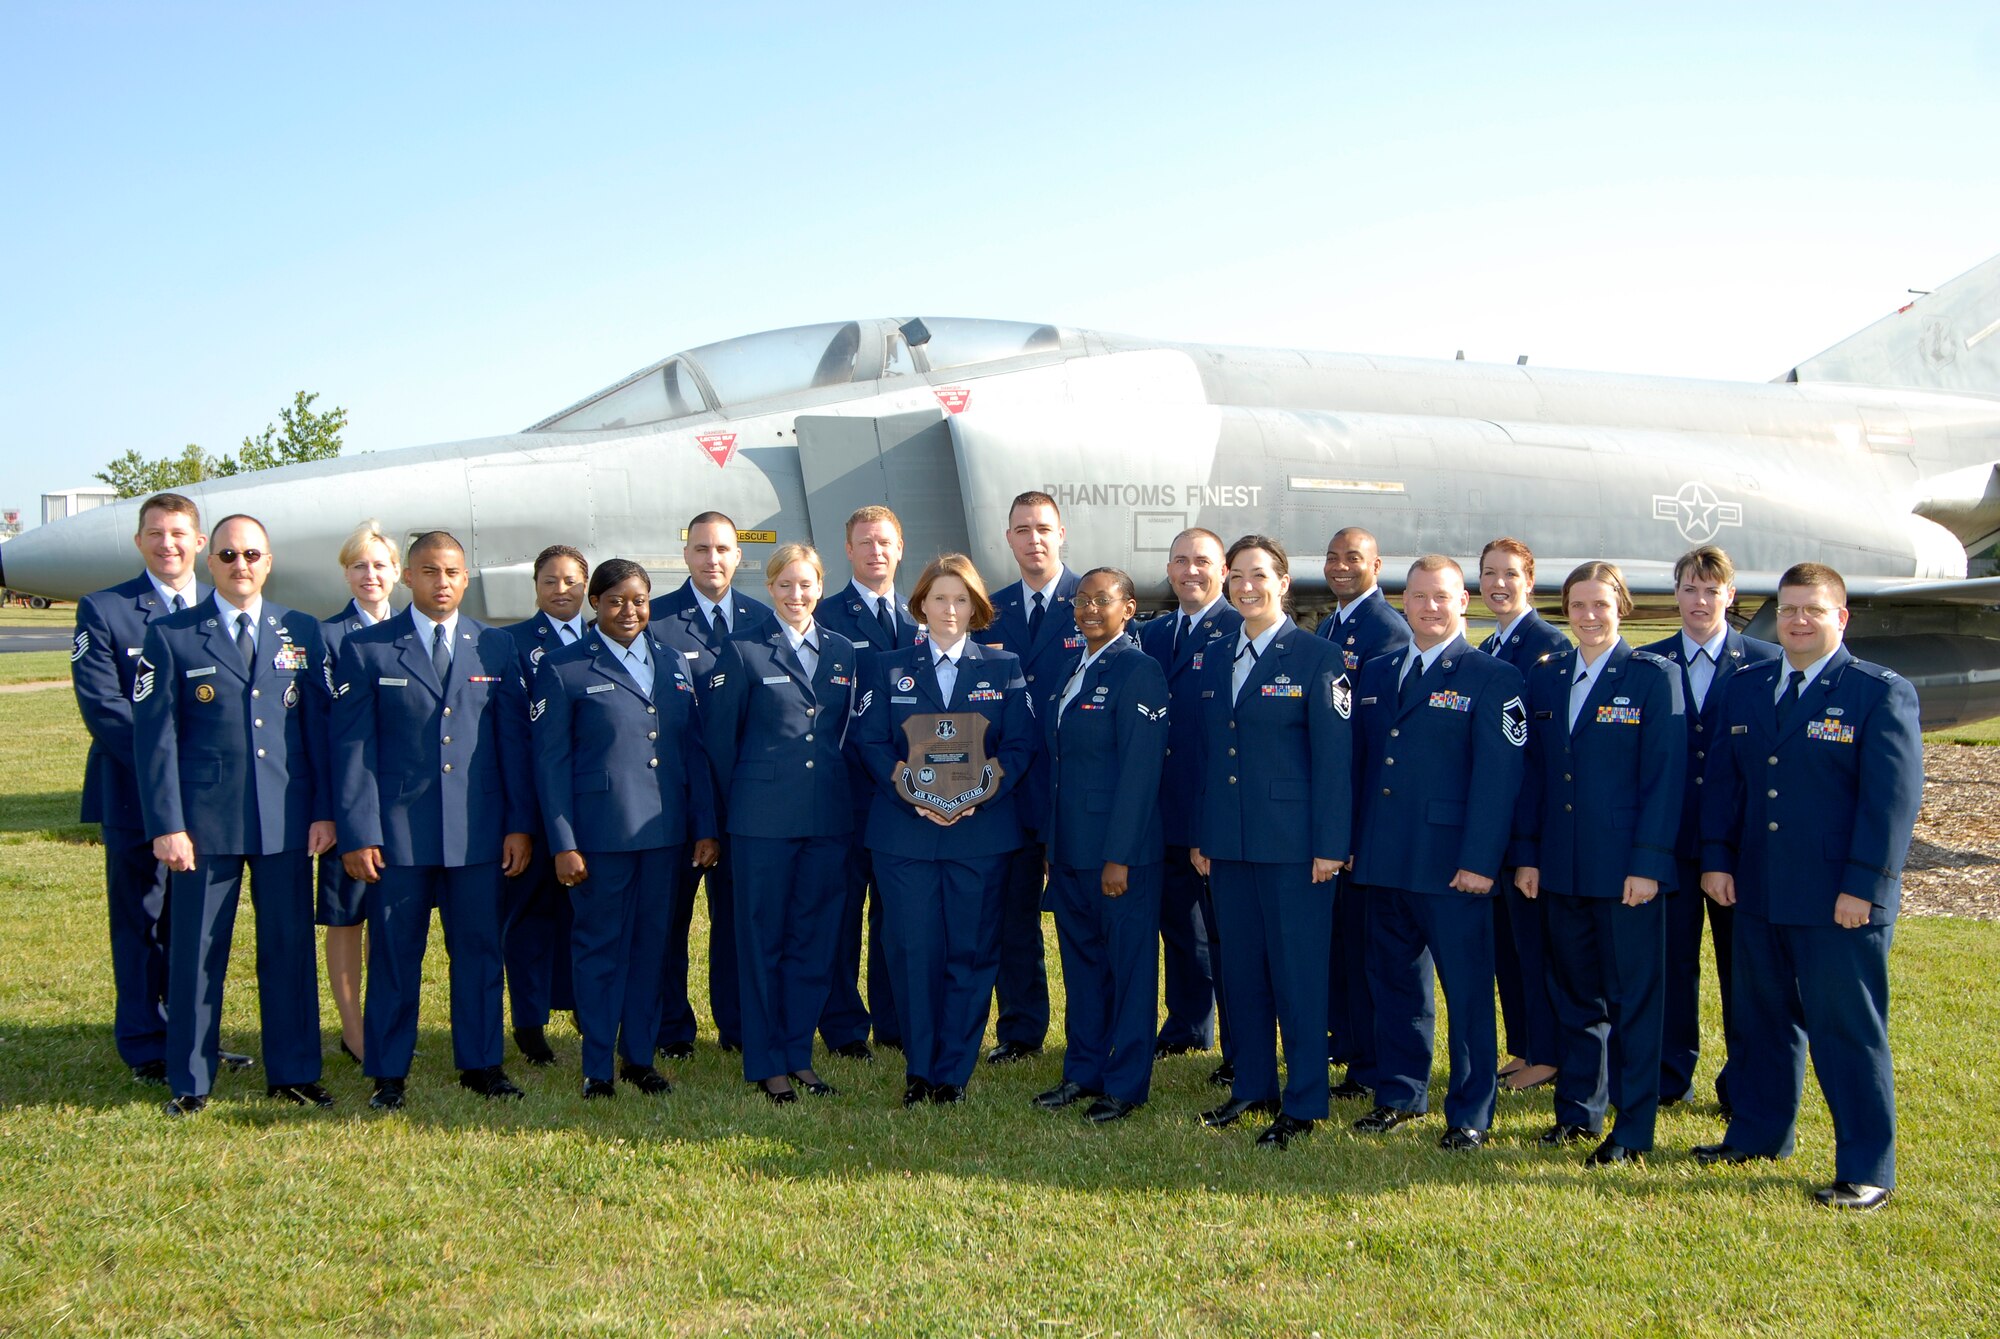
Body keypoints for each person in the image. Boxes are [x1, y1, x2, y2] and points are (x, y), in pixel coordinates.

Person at [1695, 563, 1923, 1211]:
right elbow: (1725, 785)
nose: (1798, 620)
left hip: (1839, 902)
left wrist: (1865, 888)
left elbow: (1891, 805)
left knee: (1846, 1030)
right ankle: (1760, 1132)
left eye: (1813, 610)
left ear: (1840, 617)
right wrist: (1716, 858)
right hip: (1759, 891)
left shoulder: (1877, 693)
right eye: (1789, 609)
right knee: (1761, 1021)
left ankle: (1866, 1167)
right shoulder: (1749, 687)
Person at [134, 514, 337, 1115]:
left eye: (252, 554)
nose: (240, 565)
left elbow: (318, 729)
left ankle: (294, 1071)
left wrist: (325, 811)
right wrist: (167, 824)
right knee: (198, 952)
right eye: (227, 555)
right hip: (204, 825)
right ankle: (191, 1080)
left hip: (286, 819)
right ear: (209, 562)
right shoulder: (172, 635)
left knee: (289, 948)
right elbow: (156, 740)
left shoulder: (299, 630)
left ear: (268, 562)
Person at [331, 530, 536, 1110]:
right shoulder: (369, 649)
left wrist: (519, 825)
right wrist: (359, 831)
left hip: (478, 834)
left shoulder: (495, 647)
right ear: (407, 578)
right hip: (398, 838)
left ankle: (481, 1063)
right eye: (427, 571)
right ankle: (389, 1071)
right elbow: (352, 750)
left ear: (464, 578)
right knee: (396, 954)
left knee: (478, 951)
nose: (440, 582)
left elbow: (512, 746)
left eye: (450, 572)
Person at [1348, 556, 1525, 1150]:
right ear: (1405, 601)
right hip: (1385, 860)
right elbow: (1365, 766)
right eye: (1419, 597)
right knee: (1395, 983)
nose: (1429, 607)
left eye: (1441, 597)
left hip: (1453, 865)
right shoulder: (1378, 670)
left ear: (1464, 601)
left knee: (1468, 991)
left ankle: (1471, 1111)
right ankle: (1400, 1093)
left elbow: (1499, 781)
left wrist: (1479, 861)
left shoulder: (1492, 677)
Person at [1513, 561, 1684, 1165]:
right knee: (1575, 998)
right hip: (1560, 868)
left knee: (1634, 1002)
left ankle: (1633, 1128)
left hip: (1625, 875)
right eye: (1578, 606)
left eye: (1601, 605)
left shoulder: (1653, 677)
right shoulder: (1548, 675)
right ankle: (1578, 1115)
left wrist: (1648, 865)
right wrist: (1529, 854)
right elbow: (1533, 775)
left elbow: (1665, 782)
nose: (1589, 616)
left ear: (1622, 609)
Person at [71, 492, 245, 1085]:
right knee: (141, 919)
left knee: (193, 925)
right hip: (135, 797)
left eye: (179, 533)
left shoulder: (220, 606)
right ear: (140, 541)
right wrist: (167, 776)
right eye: (155, 533)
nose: (167, 544)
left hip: (211, 803)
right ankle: (147, 1043)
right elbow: (104, 707)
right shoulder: (106, 611)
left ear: (200, 543)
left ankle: (194, 1041)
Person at [853, 554, 1037, 1106]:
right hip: (905, 836)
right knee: (912, 950)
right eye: (939, 598)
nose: (949, 609)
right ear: (922, 605)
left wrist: (980, 794)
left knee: (971, 952)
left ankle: (953, 1072)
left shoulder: (1004, 669)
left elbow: (1022, 746)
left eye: (961, 599)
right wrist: (914, 795)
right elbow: (869, 743)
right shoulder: (886, 668)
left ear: (975, 607)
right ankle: (919, 1067)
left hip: (979, 838)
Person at [531, 558, 717, 1100]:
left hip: (665, 836)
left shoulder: (671, 662)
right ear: (595, 604)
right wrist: (563, 843)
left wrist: (704, 826)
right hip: (600, 841)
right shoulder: (566, 667)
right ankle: (596, 1067)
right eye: (615, 601)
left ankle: (639, 1056)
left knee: (651, 948)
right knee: (600, 948)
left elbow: (692, 751)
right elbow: (550, 764)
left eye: (638, 600)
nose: (628, 611)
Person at [1190, 536, 1351, 1150]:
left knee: (1298, 973)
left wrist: (1329, 845)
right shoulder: (1215, 654)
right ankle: (1253, 1086)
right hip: (1229, 843)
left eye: (1261, 576)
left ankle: (1305, 1098)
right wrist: (1205, 834)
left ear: (1284, 583)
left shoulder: (1318, 657)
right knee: (1243, 972)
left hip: (1294, 848)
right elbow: (1209, 756)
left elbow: (1334, 763)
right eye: (1238, 576)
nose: (1248, 587)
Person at [702, 544, 859, 1102]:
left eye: (807, 585)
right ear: (770, 588)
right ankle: (766, 1060)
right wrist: (724, 821)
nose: (797, 595)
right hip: (761, 822)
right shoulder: (743, 650)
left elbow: (844, 737)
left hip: (827, 820)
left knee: (814, 940)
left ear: (820, 586)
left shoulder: (841, 652)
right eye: (786, 585)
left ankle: (799, 1054)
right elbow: (719, 747)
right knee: (761, 939)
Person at [1640, 546, 1779, 1115]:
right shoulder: (1649, 664)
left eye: (1711, 590)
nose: (1700, 601)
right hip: (1669, 845)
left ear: (1731, 595)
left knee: (1741, 970)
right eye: (1690, 589)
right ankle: (1670, 1075)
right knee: (1671, 966)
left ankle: (1743, 1081)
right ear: (1675, 594)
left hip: (1739, 847)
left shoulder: (1767, 663)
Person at [1033, 567, 1169, 1124]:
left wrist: (1120, 855)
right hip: (1070, 852)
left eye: (1102, 600)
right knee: (1084, 968)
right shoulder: (1072, 668)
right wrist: (1052, 844)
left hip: (1120, 857)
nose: (1089, 608)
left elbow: (1140, 773)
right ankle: (1082, 1071)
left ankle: (1125, 1084)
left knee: (1130, 971)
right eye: (1081, 600)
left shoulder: (1139, 670)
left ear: (1128, 608)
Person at [648, 512, 777, 1058]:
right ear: (686, 556)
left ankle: (739, 1025)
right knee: (668, 919)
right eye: (701, 549)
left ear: (738, 556)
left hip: (741, 798)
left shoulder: (763, 619)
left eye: (723, 549)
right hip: (673, 799)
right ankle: (671, 1027)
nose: (712, 559)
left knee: (737, 921)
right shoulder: (654, 621)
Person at [811, 505, 921, 1061]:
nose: (876, 551)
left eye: (885, 542)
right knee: (842, 912)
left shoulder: (919, 618)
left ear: (900, 548)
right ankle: (843, 1027)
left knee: (895, 915)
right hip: (845, 793)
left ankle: (893, 1021)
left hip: (906, 794)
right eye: (864, 542)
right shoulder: (824, 617)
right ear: (847, 551)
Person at [1137, 528, 1239, 1083]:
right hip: (1162, 811)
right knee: (1178, 925)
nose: (1190, 571)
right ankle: (1187, 1024)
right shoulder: (1153, 635)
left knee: (1227, 934)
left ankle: (1239, 1042)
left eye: (1202, 561)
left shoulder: (1237, 630)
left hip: (1214, 813)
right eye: (1180, 561)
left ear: (1222, 570)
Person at [980, 490, 1079, 1064]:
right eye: (1022, 529)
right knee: (1014, 922)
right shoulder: (989, 611)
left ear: (1060, 533)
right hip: (1011, 794)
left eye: (1043, 528)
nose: (1034, 539)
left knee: (1084, 921)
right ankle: (1021, 1031)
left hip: (1072, 794)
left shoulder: (1092, 602)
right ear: (1009, 538)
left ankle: (1096, 1029)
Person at [1314, 526, 1412, 1100]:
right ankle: (1349, 1047)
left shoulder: (1385, 630)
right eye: (1333, 557)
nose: (1341, 566)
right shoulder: (1334, 623)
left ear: (1378, 563)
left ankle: (1370, 1062)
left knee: (1367, 951)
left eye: (1354, 557)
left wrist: (1348, 827)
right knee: (1343, 949)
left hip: (1360, 818)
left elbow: (1376, 739)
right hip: (1336, 811)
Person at [1478, 536, 1572, 1094]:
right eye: (1490, 573)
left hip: (1525, 826)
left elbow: (1539, 754)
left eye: (1510, 574)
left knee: (1536, 948)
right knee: (1507, 950)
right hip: (1495, 826)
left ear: (1529, 581)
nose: (1499, 584)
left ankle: (1549, 1052)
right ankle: (1525, 1045)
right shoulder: (1491, 645)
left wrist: (1528, 841)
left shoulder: (1546, 647)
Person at [499, 544, 591, 1066]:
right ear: (536, 586)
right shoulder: (510, 644)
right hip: (535, 807)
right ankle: (530, 1024)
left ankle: (585, 1006)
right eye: (551, 581)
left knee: (587, 915)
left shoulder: (608, 638)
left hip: (594, 807)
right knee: (531, 919)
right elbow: (513, 738)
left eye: (572, 581)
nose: (562, 591)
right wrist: (519, 819)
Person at [318, 521, 401, 1065]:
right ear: (345, 573)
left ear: (397, 571)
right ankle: (354, 1031)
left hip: (402, 806)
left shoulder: (411, 629)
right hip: (349, 804)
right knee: (347, 917)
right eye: (358, 565)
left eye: (378, 565)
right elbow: (326, 734)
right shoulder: (325, 637)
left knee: (390, 921)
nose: (369, 575)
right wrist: (333, 814)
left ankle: (384, 1021)